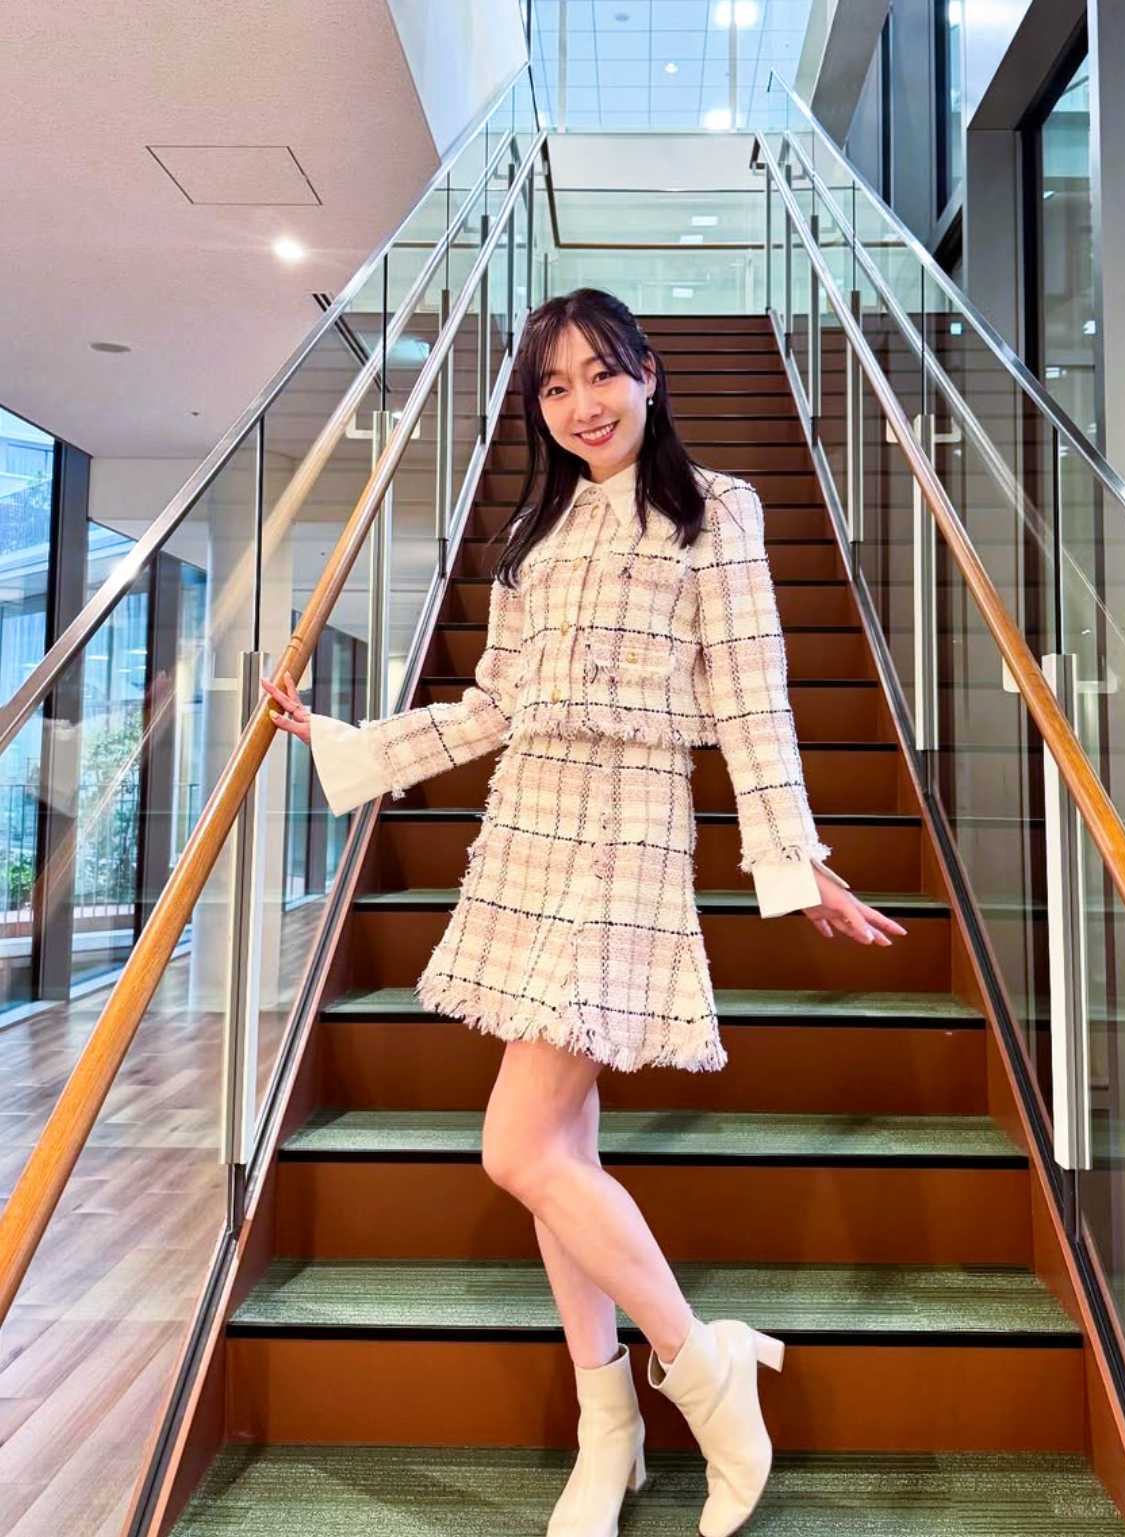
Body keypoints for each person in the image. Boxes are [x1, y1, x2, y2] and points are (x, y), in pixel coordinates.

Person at [262, 288, 907, 1537]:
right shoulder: (531, 533)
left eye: (599, 374)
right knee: (560, 1157)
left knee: (515, 1151)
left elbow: (752, 697)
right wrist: (348, 741)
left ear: (648, 372)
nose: (581, 405)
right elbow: (492, 706)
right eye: (553, 387)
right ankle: (604, 1427)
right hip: (524, 832)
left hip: (625, 833)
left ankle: (702, 1370)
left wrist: (798, 861)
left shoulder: (715, 508)